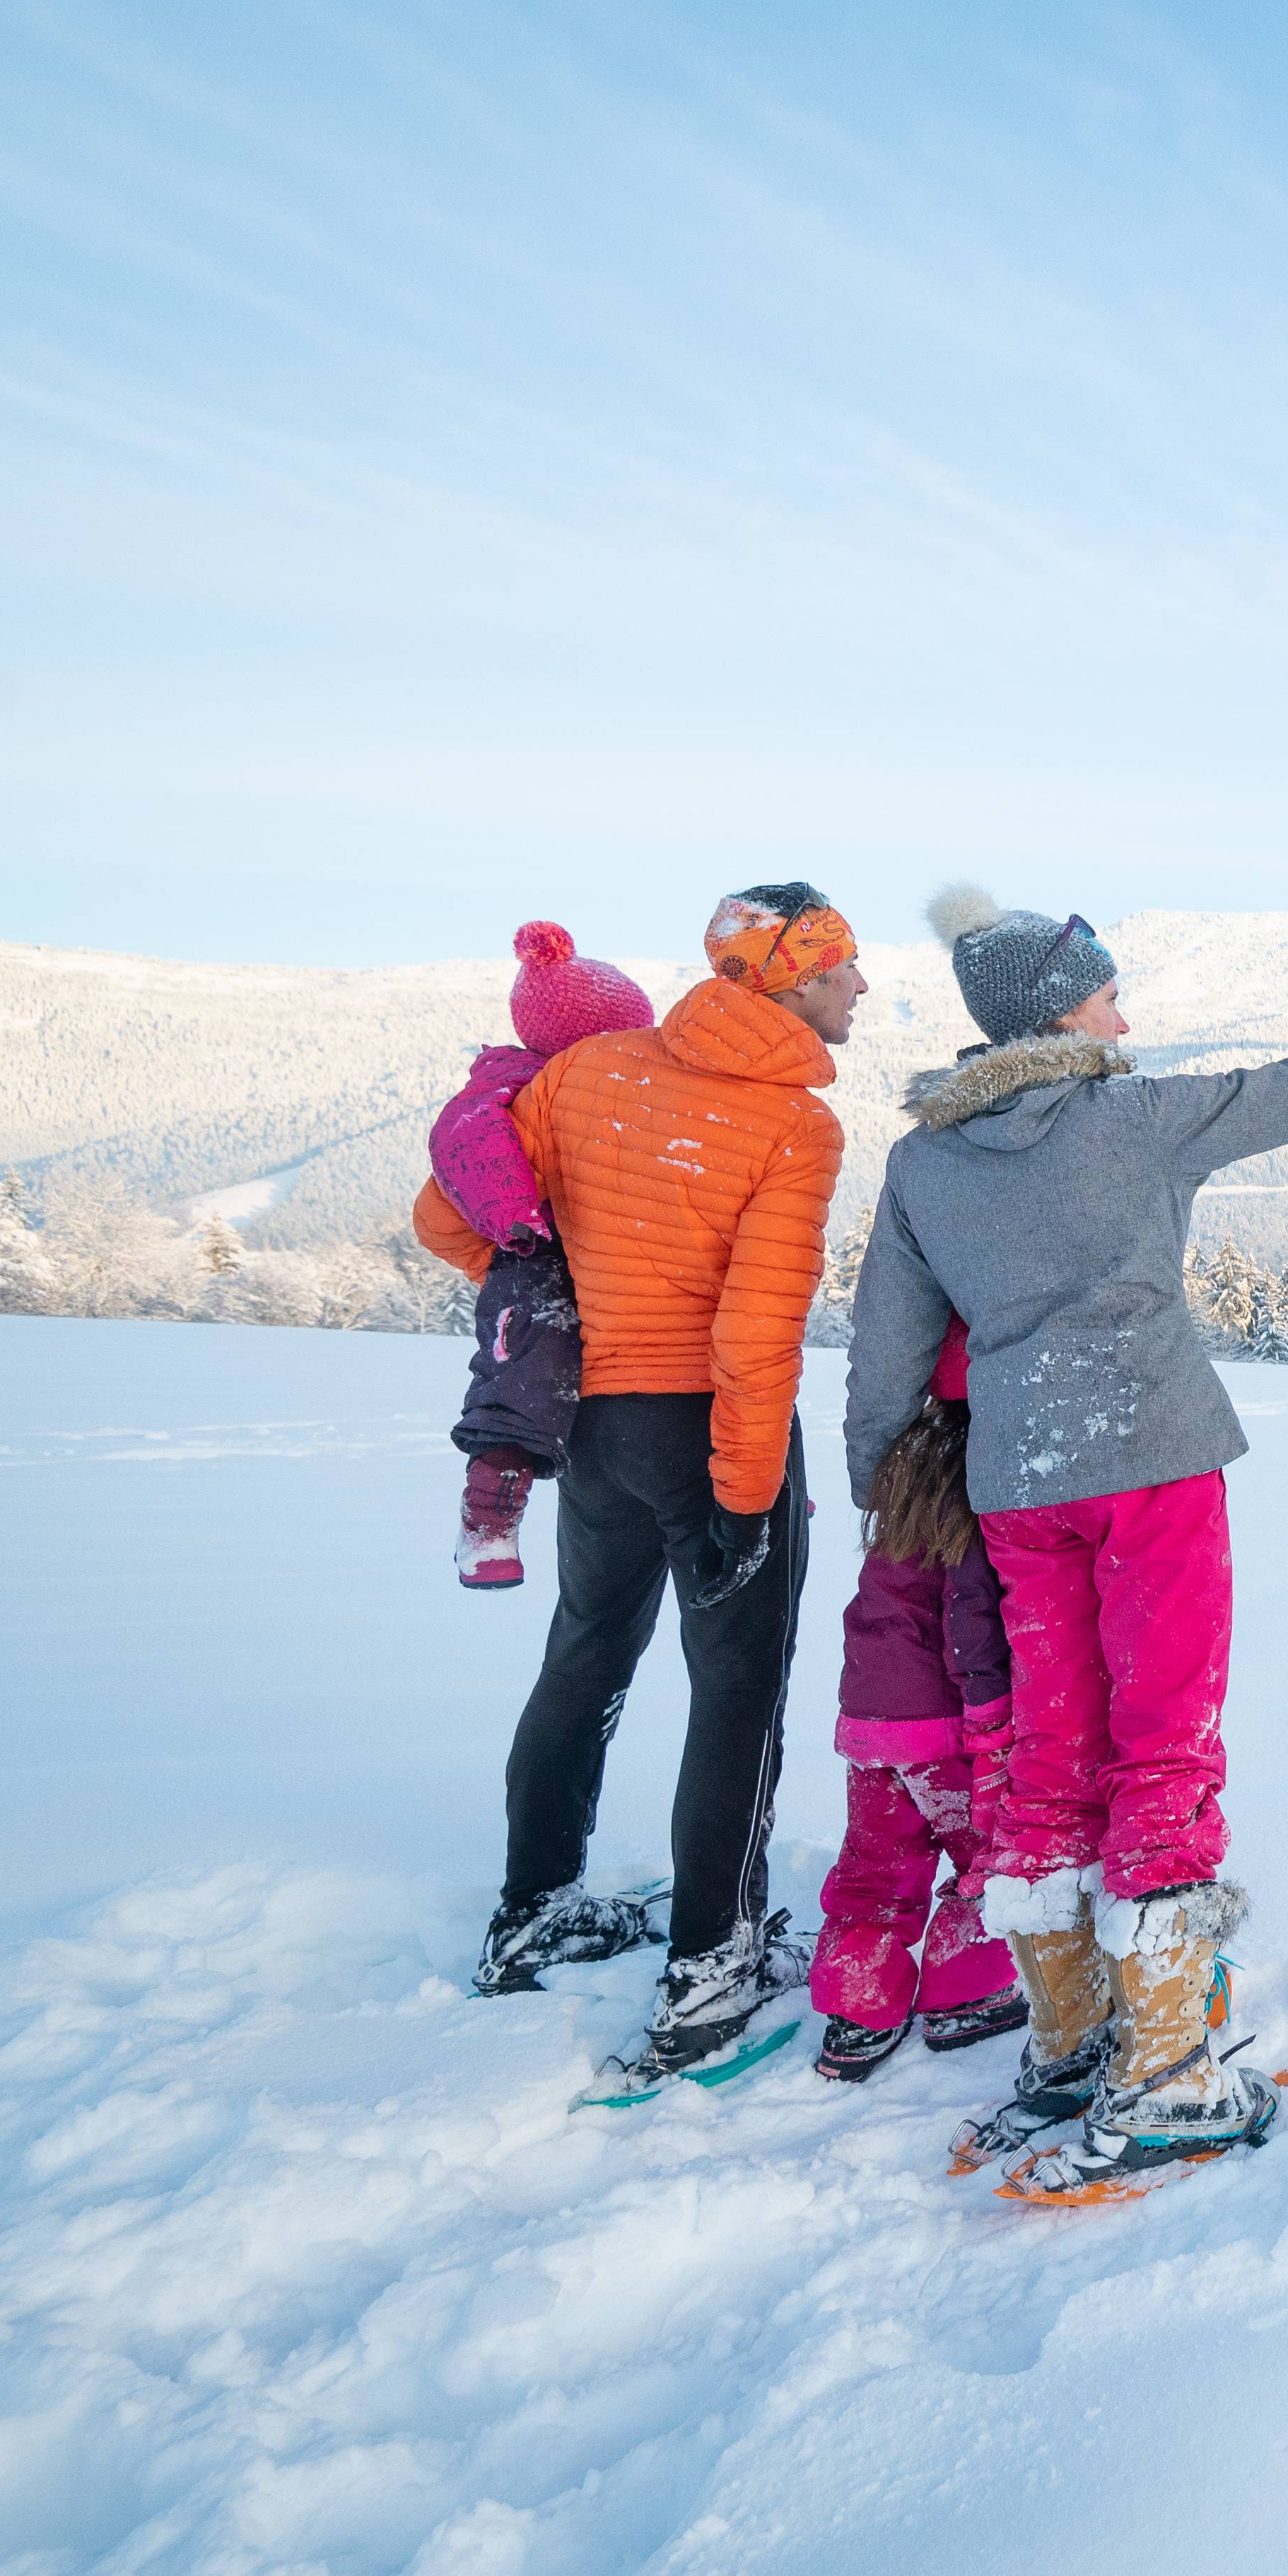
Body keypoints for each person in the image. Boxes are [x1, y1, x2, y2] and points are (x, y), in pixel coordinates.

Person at [842, 883, 1288, 2199]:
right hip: (1152, 1463)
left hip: (1016, 1481)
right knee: (1164, 1739)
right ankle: (1166, 2074)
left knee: (1050, 1749)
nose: (1127, 1011)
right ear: (1058, 1007)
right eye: (1108, 991)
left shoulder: (923, 1160)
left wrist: (876, 1475)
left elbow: (885, 1337)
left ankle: (1066, 2042)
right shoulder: (1133, 1118)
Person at [416, 882, 866, 2086]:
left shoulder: (591, 1069)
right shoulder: (792, 1124)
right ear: (783, 979)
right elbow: (755, 1326)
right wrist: (739, 1490)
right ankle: (711, 1966)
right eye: (841, 966)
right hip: (713, 1429)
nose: (861, 986)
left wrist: (580, 1286)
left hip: (597, 1426)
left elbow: (447, 1216)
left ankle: (535, 1910)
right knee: (738, 1694)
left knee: (585, 1653)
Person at [809, 1315, 1028, 2080]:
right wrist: (990, 1721)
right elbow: (971, 1618)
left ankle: (856, 2007)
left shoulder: (909, 1461)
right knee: (984, 1860)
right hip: (943, 1727)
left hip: (872, 1720)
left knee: (876, 1867)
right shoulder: (984, 1469)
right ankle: (965, 1992)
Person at [428, 922, 657, 1590]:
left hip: (616, 1243)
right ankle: (491, 1511)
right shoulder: (511, 1085)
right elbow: (465, 1144)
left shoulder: (629, 1089)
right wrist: (517, 1223)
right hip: (537, 1253)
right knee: (529, 1364)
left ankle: (752, 1483)